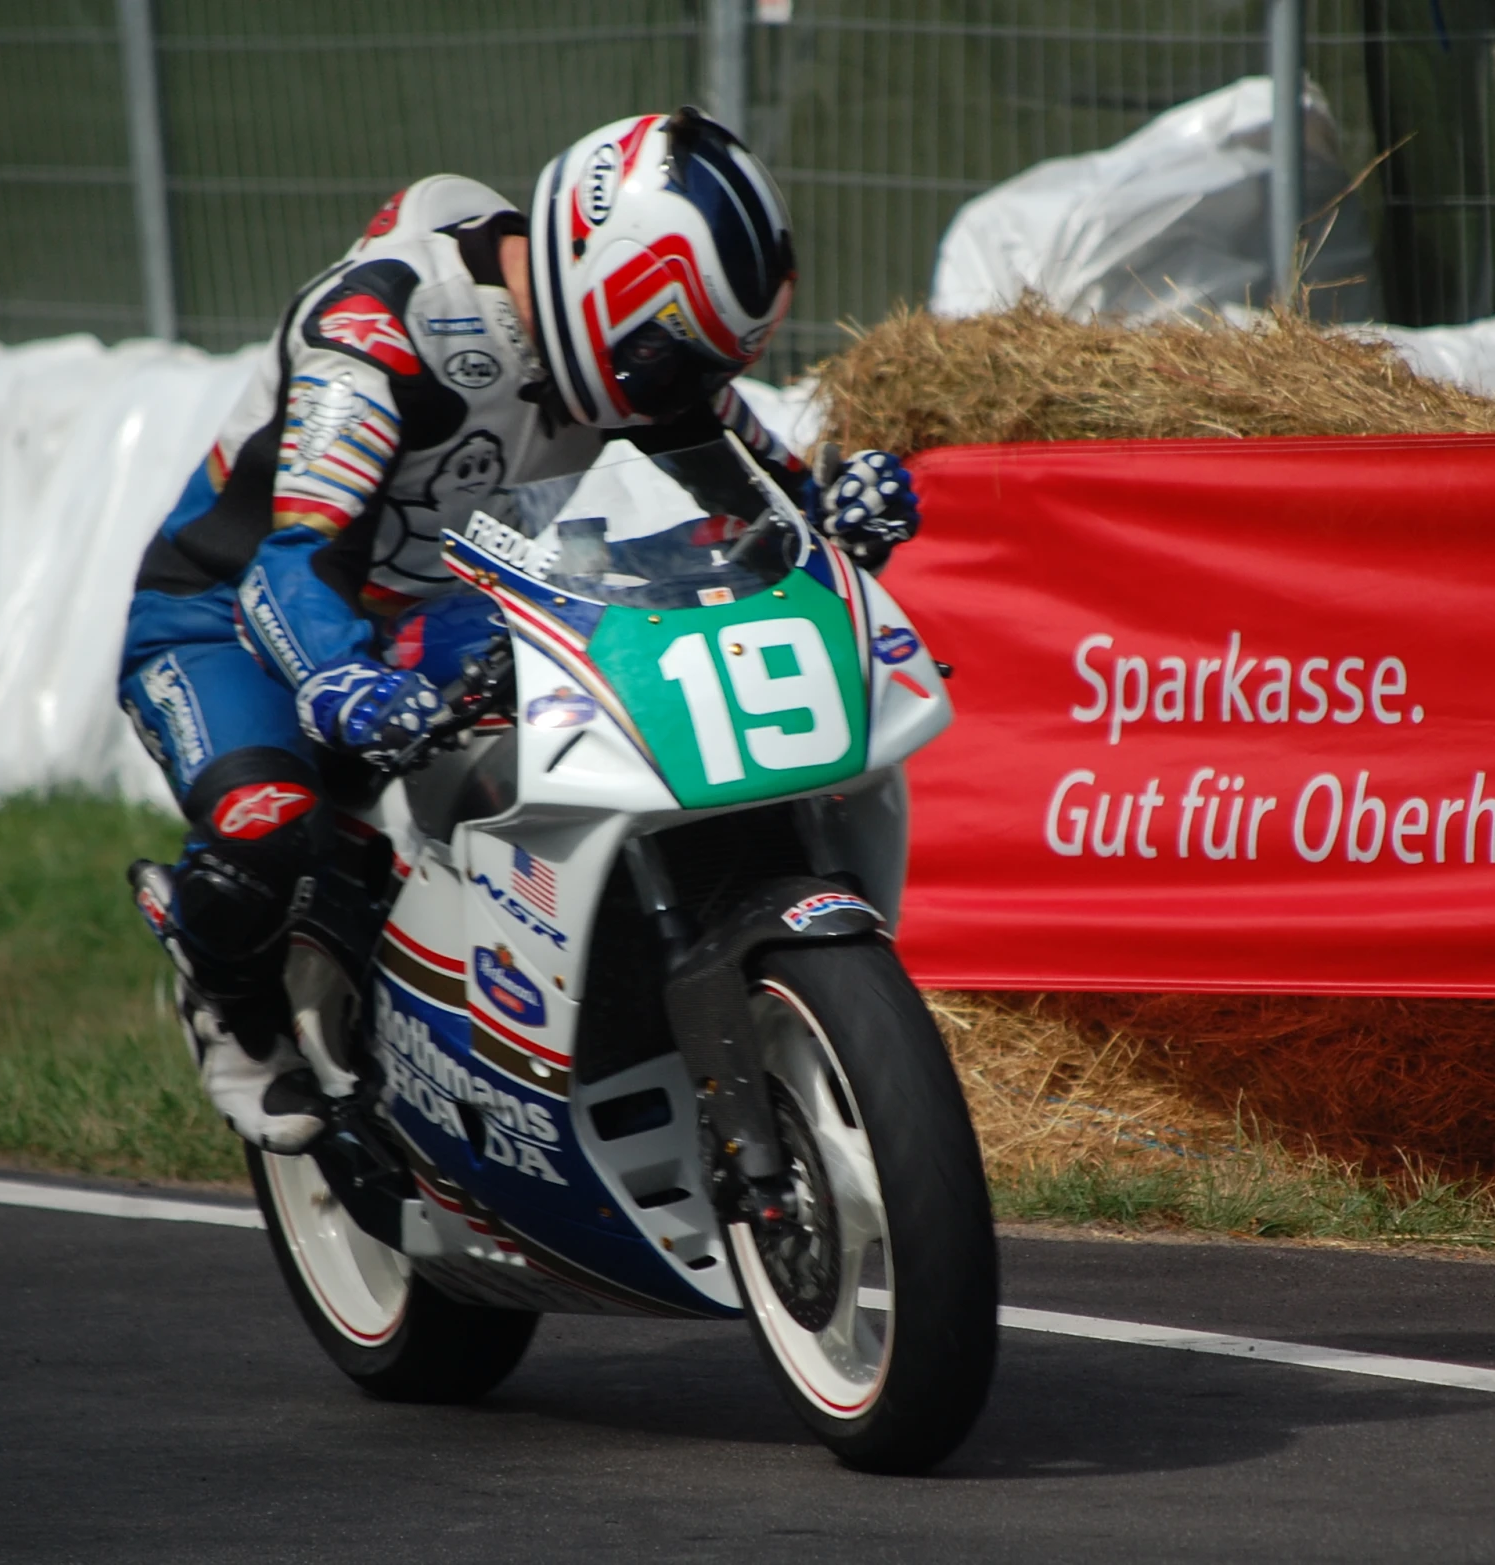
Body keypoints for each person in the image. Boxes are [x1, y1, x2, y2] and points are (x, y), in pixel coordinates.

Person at [119, 109, 922, 1153]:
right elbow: (294, 562)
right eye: (673, 359)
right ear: (604, 290)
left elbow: (755, 487)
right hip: (226, 615)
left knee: (605, 737)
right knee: (266, 818)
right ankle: (225, 993)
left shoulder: (626, 353)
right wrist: (337, 679)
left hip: (440, 611)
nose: (683, 393)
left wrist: (836, 510)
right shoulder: (378, 332)